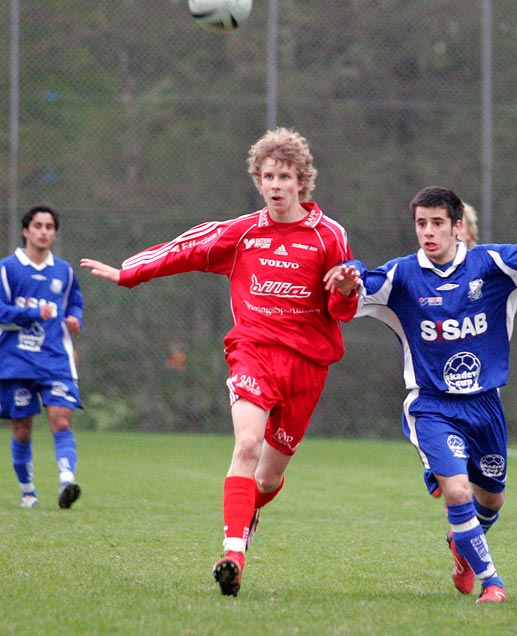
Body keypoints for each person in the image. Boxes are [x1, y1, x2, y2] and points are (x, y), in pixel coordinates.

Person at [80, 127, 360, 596]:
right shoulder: (243, 232)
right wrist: (129, 272)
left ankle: (248, 514)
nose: (275, 184)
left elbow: (340, 310)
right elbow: (187, 249)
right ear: (257, 179)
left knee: (268, 477)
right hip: (252, 352)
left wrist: (347, 291)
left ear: (301, 182)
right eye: (268, 175)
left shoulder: (329, 236)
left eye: (285, 176)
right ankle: (233, 554)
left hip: (307, 367)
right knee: (247, 446)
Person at [326, 186, 517, 603]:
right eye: (421, 223)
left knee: (493, 498)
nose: (428, 232)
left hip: (485, 404)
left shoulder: (489, 265)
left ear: (458, 226)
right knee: (457, 492)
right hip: (431, 403)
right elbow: (357, 290)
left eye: (437, 223)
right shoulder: (403, 276)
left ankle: (462, 546)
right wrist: (348, 278)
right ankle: (493, 582)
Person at [0, 204, 85, 509]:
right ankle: (27, 491)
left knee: (61, 419)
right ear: (26, 230)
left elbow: (75, 303)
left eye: (49, 227)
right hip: (17, 360)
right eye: (38, 226)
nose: (44, 231)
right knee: (22, 427)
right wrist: (31, 312)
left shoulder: (64, 271)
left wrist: (75, 319)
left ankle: (66, 481)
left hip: (55, 359)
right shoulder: (8, 269)